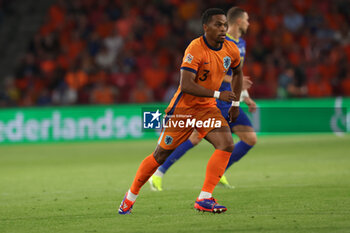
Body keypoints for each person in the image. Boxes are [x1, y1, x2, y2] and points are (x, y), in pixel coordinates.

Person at [118, 8, 243, 214]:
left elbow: (238, 72)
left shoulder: (230, 49)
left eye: (224, 25)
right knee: (160, 156)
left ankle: (204, 198)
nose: (223, 29)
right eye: (218, 25)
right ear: (206, 27)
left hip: (206, 110)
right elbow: (186, 85)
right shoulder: (195, 48)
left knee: (226, 144)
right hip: (183, 110)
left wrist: (236, 104)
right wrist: (220, 95)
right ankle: (130, 197)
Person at [149, 7, 257, 191]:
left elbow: (238, 75)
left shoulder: (241, 44)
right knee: (194, 138)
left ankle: (219, 172)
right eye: (246, 19)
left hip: (229, 100)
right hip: (214, 100)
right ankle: (158, 172)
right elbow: (214, 71)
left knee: (249, 138)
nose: (249, 23)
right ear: (238, 21)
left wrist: (244, 97)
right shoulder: (221, 41)